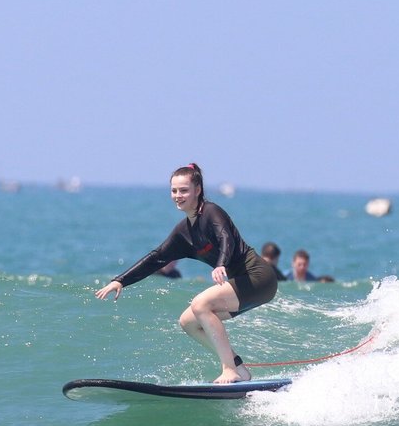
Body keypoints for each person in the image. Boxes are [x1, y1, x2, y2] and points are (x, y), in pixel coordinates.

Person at [95, 163, 277, 383]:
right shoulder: (184, 233)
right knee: (188, 322)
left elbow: (225, 237)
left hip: (258, 278)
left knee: (200, 304)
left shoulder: (211, 212)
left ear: (197, 190)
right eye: (174, 191)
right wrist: (120, 281)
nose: (177, 196)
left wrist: (221, 264)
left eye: (183, 190)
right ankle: (240, 368)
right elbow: (156, 258)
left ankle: (228, 369)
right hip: (242, 284)